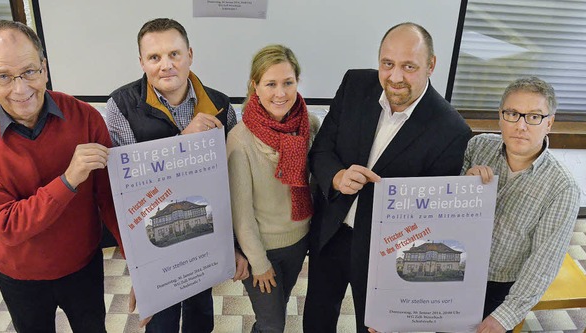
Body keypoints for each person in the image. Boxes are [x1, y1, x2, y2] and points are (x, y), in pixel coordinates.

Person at [0, 20, 123, 332]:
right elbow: (7, 225)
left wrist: (140, 260)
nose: (21, 88)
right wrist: (69, 179)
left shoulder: (85, 117)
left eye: (29, 71)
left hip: (83, 264)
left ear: (44, 67)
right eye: (4, 76)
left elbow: (111, 198)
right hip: (20, 274)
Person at [304, 22, 472, 333]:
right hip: (331, 232)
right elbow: (321, 151)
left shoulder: (451, 130)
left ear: (431, 65)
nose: (395, 77)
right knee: (316, 318)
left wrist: (406, 296)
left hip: (386, 253)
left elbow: (431, 222)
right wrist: (337, 176)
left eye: (409, 66)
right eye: (387, 64)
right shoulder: (354, 84)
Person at [105, 18, 249, 332]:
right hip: (154, 238)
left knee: (200, 314)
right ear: (141, 62)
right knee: (161, 322)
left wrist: (234, 245)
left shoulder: (222, 105)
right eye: (154, 57)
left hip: (204, 233)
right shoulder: (120, 106)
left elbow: (232, 183)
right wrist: (184, 141)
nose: (166, 65)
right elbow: (130, 189)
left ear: (190, 55)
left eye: (175, 54)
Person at [463, 77, 580, 333]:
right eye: (513, 114)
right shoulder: (477, 147)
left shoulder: (562, 187)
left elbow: (543, 264)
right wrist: (463, 188)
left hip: (500, 283)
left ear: (549, 123)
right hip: (458, 265)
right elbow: (442, 214)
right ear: (500, 116)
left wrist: (503, 317)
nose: (521, 126)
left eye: (534, 117)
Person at [228, 44, 319, 333]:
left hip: (298, 241)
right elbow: (241, 215)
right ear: (255, 85)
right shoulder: (240, 140)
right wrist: (258, 263)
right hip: (262, 247)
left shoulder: (310, 124)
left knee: (276, 311)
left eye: (288, 83)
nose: (280, 93)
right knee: (273, 324)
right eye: (270, 84)